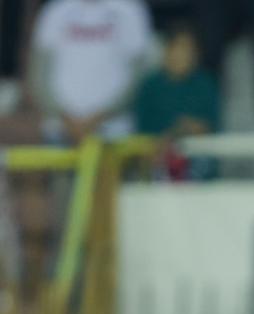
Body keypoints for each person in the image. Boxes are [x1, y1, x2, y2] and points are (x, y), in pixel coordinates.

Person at [28, 0, 153, 144]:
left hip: (113, 132)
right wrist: (65, 118)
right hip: (60, 130)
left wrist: (99, 118)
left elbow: (139, 77)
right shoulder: (55, 10)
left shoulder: (131, 10)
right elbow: (39, 74)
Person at [134, 22, 221, 181]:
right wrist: (169, 138)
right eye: (179, 48)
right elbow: (142, 132)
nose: (184, 55)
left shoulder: (205, 84)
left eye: (190, 49)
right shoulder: (150, 86)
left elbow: (214, 127)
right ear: (167, 50)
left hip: (196, 161)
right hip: (157, 160)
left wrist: (187, 129)